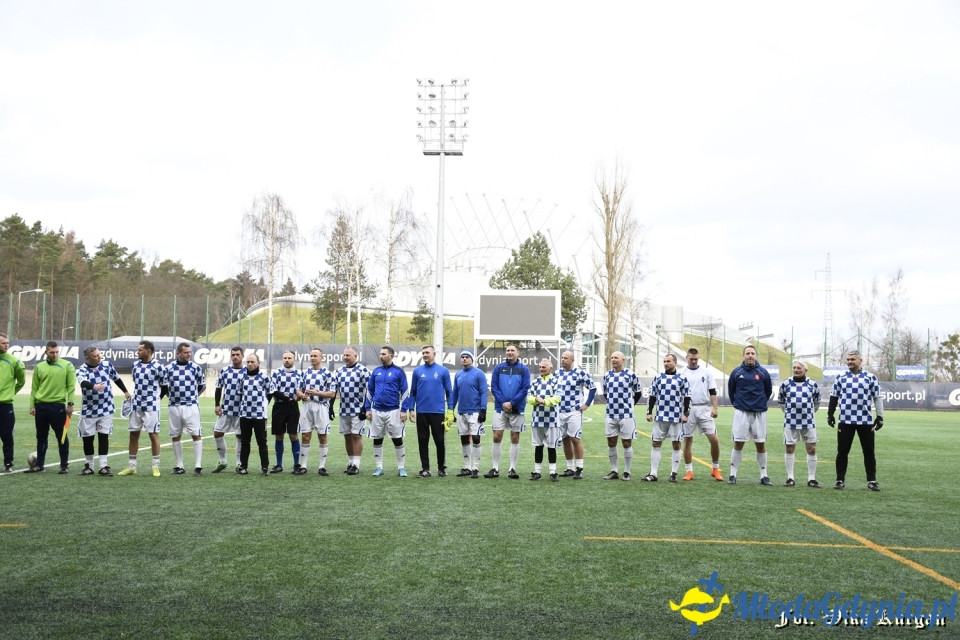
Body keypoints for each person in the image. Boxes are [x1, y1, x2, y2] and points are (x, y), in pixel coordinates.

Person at [827, 350, 884, 491]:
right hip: (846, 420)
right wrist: (830, 414)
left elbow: (877, 397)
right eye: (848, 359)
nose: (849, 362)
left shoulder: (870, 377)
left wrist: (880, 416)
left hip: (865, 421)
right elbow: (834, 396)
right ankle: (839, 480)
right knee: (842, 452)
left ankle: (872, 481)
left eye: (852, 359)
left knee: (869, 452)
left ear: (860, 360)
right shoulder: (841, 377)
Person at [75, 346, 130, 476]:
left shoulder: (106, 365)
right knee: (88, 438)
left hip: (106, 408)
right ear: (87, 358)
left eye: (99, 355)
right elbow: (83, 383)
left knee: (103, 436)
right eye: (96, 356)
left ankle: (103, 466)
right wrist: (94, 386)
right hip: (89, 410)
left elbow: (116, 378)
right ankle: (89, 466)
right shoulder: (81, 370)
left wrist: (125, 391)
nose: (99, 357)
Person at [727, 345, 773, 485]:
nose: (750, 356)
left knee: (760, 443)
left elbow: (768, 391)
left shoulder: (763, 372)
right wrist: (739, 404)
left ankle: (764, 475)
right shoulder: (736, 372)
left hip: (759, 412)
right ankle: (732, 475)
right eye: (747, 353)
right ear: (743, 355)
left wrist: (759, 403)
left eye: (753, 353)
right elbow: (731, 391)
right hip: (741, 412)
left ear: (756, 355)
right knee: (738, 443)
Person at [26, 341, 75, 474]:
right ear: (45, 352)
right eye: (52, 352)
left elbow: (71, 387)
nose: (55, 355)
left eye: (57, 352)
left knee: (62, 436)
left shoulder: (67, 365)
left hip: (57, 406)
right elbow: (34, 388)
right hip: (41, 406)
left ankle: (64, 465)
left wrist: (70, 404)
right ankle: (39, 464)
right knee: (41, 436)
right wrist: (32, 405)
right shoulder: (39, 367)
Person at [118, 340, 164, 477]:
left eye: (140, 350)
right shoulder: (135, 365)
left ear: (148, 351)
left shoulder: (158, 366)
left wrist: (155, 400)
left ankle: (155, 467)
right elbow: (136, 383)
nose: (137, 352)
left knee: (153, 435)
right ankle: (132, 467)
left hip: (152, 406)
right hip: (136, 405)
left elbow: (165, 386)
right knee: (133, 435)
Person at [405, 345, 452, 478]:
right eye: (423, 353)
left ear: (434, 354)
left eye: (427, 352)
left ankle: (441, 468)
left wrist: (450, 410)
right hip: (422, 412)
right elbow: (413, 392)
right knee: (422, 440)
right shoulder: (417, 371)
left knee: (439, 441)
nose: (425, 355)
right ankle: (425, 469)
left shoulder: (443, 371)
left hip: (438, 412)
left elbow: (449, 391)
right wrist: (411, 409)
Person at [486, 344, 530, 479]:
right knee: (496, 436)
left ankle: (512, 468)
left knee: (515, 437)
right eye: (508, 350)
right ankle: (495, 468)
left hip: (517, 408)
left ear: (518, 353)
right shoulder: (499, 368)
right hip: (500, 407)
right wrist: (504, 402)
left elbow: (525, 388)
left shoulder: (524, 369)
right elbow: (494, 386)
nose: (509, 352)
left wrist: (512, 403)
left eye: (512, 350)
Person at [644, 354, 690, 482]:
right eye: (664, 361)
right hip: (660, 416)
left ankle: (673, 474)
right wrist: (649, 412)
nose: (666, 363)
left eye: (668, 361)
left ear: (675, 363)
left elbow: (687, 397)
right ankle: (653, 474)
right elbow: (652, 395)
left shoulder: (682, 378)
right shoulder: (658, 377)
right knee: (656, 443)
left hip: (676, 417)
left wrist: (686, 414)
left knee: (676, 444)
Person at [680, 348, 723, 481]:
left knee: (714, 439)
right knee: (687, 441)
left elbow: (712, 392)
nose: (693, 361)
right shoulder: (681, 373)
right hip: (688, 410)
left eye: (696, 359)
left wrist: (715, 409)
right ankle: (689, 471)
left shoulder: (706, 372)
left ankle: (715, 469)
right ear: (686, 357)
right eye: (691, 359)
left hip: (704, 409)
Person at [162, 342, 205, 476]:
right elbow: (164, 387)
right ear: (178, 353)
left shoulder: (195, 368)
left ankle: (198, 466)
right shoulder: (168, 368)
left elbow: (202, 385)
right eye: (186, 352)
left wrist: (192, 397)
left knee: (196, 434)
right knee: (175, 435)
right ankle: (179, 465)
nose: (189, 354)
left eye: (190, 352)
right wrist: (173, 397)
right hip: (174, 407)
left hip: (191, 407)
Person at [366, 345, 409, 477]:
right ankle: (379, 467)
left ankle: (401, 468)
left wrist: (404, 410)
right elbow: (369, 391)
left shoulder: (398, 372)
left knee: (397, 439)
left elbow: (405, 391)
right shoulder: (376, 371)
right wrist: (367, 408)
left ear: (391, 356)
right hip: (377, 410)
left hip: (394, 411)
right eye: (380, 354)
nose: (381, 356)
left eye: (383, 354)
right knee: (377, 439)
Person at [778, 360, 822, 488]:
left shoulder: (812, 384)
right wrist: (788, 413)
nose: (796, 370)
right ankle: (790, 477)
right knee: (790, 448)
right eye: (794, 368)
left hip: (808, 421)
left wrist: (809, 413)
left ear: (805, 370)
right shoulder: (786, 384)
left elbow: (817, 402)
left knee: (811, 448)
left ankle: (811, 478)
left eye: (799, 368)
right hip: (790, 421)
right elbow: (781, 401)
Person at [601, 351, 643, 480]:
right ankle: (614, 470)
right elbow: (605, 393)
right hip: (611, 414)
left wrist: (629, 406)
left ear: (623, 360)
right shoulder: (607, 375)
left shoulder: (631, 375)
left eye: (616, 358)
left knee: (626, 442)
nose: (613, 359)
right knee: (611, 442)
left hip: (626, 415)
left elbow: (638, 393)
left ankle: (627, 471)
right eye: (612, 357)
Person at [555, 350, 596, 480]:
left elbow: (593, 387)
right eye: (562, 357)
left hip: (574, 411)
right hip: (560, 411)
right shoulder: (556, 374)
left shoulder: (580, 373)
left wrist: (587, 404)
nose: (563, 360)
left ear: (572, 360)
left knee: (575, 439)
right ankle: (570, 468)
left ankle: (580, 468)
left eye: (566, 358)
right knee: (565, 439)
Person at [332, 346, 369, 475]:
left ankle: (356, 464)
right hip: (343, 410)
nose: (345, 357)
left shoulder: (363, 371)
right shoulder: (339, 371)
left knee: (356, 435)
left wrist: (365, 408)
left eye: (348, 355)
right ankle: (351, 462)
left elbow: (369, 391)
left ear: (355, 356)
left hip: (358, 410)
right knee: (347, 436)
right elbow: (334, 390)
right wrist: (331, 407)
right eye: (344, 355)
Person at [297, 347, 335, 475]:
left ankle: (322, 466)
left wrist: (317, 393)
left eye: (315, 356)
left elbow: (332, 393)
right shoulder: (305, 372)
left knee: (322, 435)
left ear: (321, 357)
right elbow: (298, 389)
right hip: (307, 406)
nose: (313, 358)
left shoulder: (328, 373)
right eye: (311, 356)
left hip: (321, 407)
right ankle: (303, 466)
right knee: (305, 435)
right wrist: (301, 395)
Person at [449, 349, 487, 478]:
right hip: (461, 412)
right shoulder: (458, 374)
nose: (464, 359)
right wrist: (451, 410)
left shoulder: (479, 374)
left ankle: (476, 467)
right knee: (464, 438)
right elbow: (455, 394)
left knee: (476, 438)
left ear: (472, 359)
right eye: (462, 357)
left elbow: (483, 392)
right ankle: (467, 467)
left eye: (467, 357)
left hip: (475, 412)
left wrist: (483, 409)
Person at [236, 353, 273, 475]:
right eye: (248, 362)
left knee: (261, 441)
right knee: (245, 441)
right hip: (245, 414)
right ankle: (243, 467)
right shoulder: (242, 377)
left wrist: (263, 404)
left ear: (258, 363)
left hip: (259, 415)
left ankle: (264, 468)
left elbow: (270, 392)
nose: (250, 364)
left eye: (252, 362)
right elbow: (240, 393)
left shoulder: (264, 377)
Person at [212, 346, 245, 473]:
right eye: (233, 355)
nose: (235, 357)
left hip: (242, 410)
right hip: (226, 408)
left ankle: (239, 463)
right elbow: (219, 388)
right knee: (217, 433)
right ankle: (223, 461)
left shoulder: (247, 371)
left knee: (240, 436)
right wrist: (217, 404)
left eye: (237, 354)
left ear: (242, 356)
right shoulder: (225, 370)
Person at [528, 358, 562, 481]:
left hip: (552, 420)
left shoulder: (556, 381)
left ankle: (553, 472)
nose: (541, 369)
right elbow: (529, 397)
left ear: (550, 368)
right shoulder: (535, 381)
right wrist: (535, 400)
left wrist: (545, 401)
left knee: (551, 446)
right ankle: (537, 472)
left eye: (544, 367)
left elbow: (558, 397)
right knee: (538, 446)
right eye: (540, 367)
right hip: (537, 419)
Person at [270, 350, 303, 474]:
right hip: (279, 406)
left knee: (293, 435)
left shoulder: (300, 374)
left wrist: (297, 398)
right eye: (285, 358)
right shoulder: (276, 373)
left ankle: (296, 464)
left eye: (289, 358)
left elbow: (302, 390)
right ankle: (279, 465)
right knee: (279, 436)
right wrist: (287, 398)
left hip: (293, 407)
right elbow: (273, 390)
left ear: (294, 359)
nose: (287, 360)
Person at [0, 333, 26, 473]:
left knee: (6, 435)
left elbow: (21, 381)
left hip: (5, 405)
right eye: (3, 343)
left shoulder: (15, 362)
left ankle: (8, 463)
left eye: (7, 343)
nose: (6, 345)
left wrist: (10, 393)